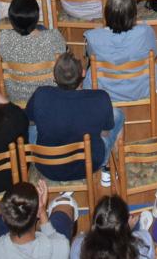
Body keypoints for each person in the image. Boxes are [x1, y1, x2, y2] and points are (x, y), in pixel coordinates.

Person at [26, 52, 123, 185]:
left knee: (32, 126)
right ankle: (106, 166)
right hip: (89, 165)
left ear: (54, 76)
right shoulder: (101, 98)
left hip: (48, 167)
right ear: (83, 73)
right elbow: (105, 133)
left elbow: (30, 121)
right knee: (118, 115)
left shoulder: (41, 94)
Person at [85, 0, 157, 101]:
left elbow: (91, 57)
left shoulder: (93, 37)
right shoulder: (145, 32)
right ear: (134, 13)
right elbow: (154, 53)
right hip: (140, 87)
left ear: (106, 13)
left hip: (105, 89)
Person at [0, 0, 66, 103]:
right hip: (47, 95)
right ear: (36, 18)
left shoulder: (4, 39)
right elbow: (63, 56)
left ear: (11, 20)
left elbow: (0, 56)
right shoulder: (53, 37)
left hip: (16, 96)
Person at [0, 180, 73, 259]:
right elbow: (55, 238)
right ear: (37, 216)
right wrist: (42, 212)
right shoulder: (61, 246)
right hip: (45, 239)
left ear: (3, 218)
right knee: (65, 204)